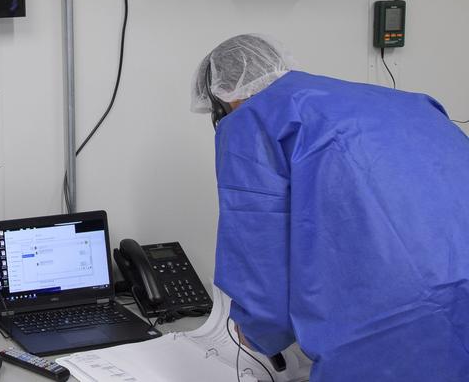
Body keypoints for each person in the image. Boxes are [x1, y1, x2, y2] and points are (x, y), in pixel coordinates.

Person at [191, 34, 469, 381]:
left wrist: (257, 330)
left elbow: (259, 246)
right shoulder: (402, 102)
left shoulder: (250, 121)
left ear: (223, 98)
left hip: (397, 327)